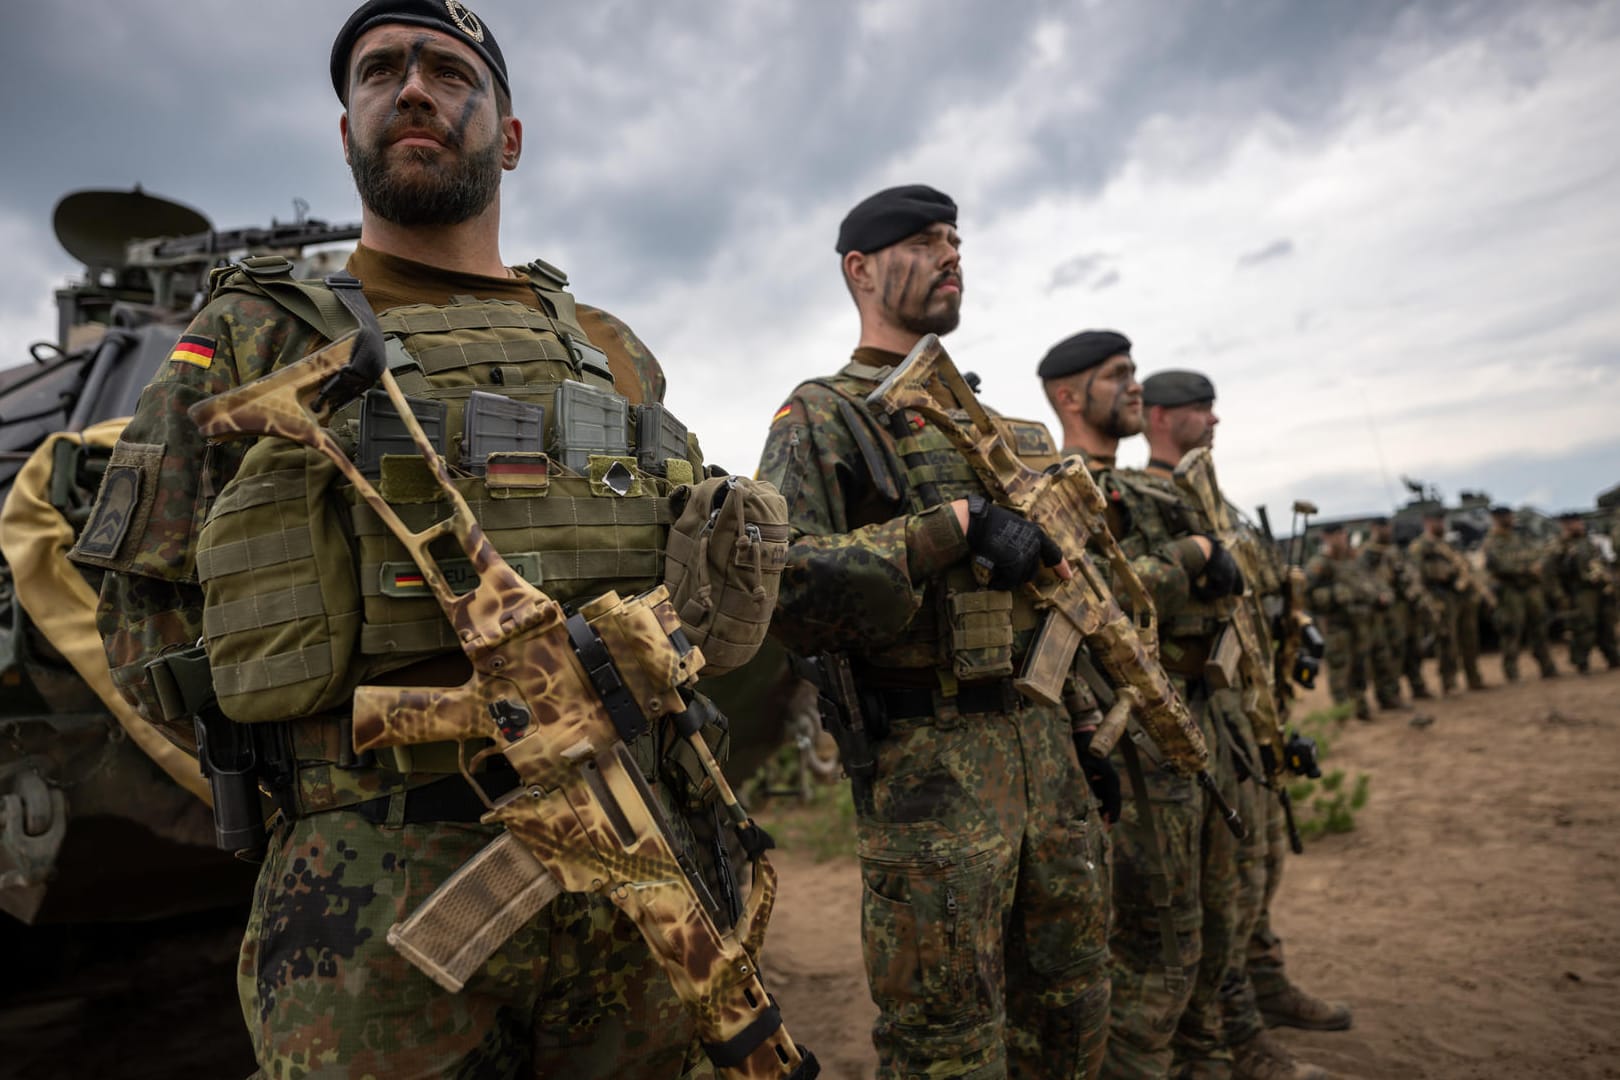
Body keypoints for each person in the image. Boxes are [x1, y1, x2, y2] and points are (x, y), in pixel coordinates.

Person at [70, 3, 729, 1075]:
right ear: (346, 132)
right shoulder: (254, 331)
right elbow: (141, 609)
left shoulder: (610, 352)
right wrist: (304, 751)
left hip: (635, 853)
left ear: (508, 136)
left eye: (448, 71)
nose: (411, 89)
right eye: (378, 72)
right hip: (372, 885)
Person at [757, 185, 1112, 1078]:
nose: (953, 254)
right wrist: (946, 527)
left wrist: (1081, 730)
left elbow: (1052, 599)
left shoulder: (990, 429)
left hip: (1047, 761)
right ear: (860, 269)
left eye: (956, 238)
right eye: (924, 241)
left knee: (1072, 1011)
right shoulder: (825, 414)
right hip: (932, 780)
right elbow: (782, 586)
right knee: (945, 1044)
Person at [1040, 336, 1246, 1080]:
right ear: (1069, 397)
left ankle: (1208, 1053)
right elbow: (1095, 594)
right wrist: (1189, 559)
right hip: (1120, 736)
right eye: (1118, 376)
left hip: (1175, 719)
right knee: (1153, 937)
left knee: (1196, 920)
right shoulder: (1057, 485)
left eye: (1135, 374)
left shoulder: (1138, 489)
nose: (1135, 387)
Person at [1134, 371, 1338, 1080]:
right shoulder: (1147, 496)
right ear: (1162, 416)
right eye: (1200, 408)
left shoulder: (1214, 500)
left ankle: (1262, 987)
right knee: (1220, 886)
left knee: (1261, 863)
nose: (1214, 419)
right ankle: (1225, 1034)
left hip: (1245, 707)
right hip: (1192, 710)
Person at [1304, 524, 1389, 721]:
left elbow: (1366, 584)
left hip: (1360, 623)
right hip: (1336, 625)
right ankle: (1342, 713)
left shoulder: (1353, 560)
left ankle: (1361, 707)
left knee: (1360, 666)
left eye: (1342, 534)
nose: (1340, 538)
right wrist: (1336, 595)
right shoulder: (1320, 564)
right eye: (1335, 535)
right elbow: (1307, 596)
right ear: (1326, 537)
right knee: (1339, 668)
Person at [1406, 511, 1487, 693]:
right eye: (1436, 520)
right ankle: (1448, 682)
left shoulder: (1449, 545)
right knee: (1447, 641)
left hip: (1460, 596)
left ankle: (1473, 678)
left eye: (1442, 520)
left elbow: (1464, 567)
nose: (1441, 524)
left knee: (1469, 639)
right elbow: (1415, 577)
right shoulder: (1420, 547)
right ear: (1427, 522)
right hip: (1440, 597)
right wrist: (1429, 601)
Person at [1481, 506, 1558, 681]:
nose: (1509, 518)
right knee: (1511, 631)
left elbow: (1535, 554)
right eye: (1505, 516)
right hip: (1510, 590)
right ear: (1496, 519)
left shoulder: (1519, 537)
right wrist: (1529, 570)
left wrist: (1536, 566)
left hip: (1530, 589)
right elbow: (1501, 565)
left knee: (1539, 628)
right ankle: (1512, 672)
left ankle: (1547, 667)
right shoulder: (1492, 542)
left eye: (1509, 515)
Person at [1354, 518, 1416, 710]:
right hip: (1375, 610)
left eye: (1388, 526)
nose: (1387, 530)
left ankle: (1392, 693)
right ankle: (1385, 695)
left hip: (1394, 606)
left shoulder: (1393, 551)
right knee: (1380, 653)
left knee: (1397, 648)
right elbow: (1361, 579)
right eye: (1383, 527)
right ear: (1374, 528)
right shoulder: (1365, 553)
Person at [1548, 513, 1619, 673]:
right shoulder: (1560, 546)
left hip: (1601, 588)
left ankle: (1613, 658)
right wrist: (1559, 594)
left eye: (1577, 522)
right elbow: (1551, 573)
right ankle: (1582, 661)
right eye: (1571, 523)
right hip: (1580, 591)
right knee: (1584, 627)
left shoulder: (1592, 541)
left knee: (1607, 624)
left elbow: (1606, 562)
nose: (1577, 525)